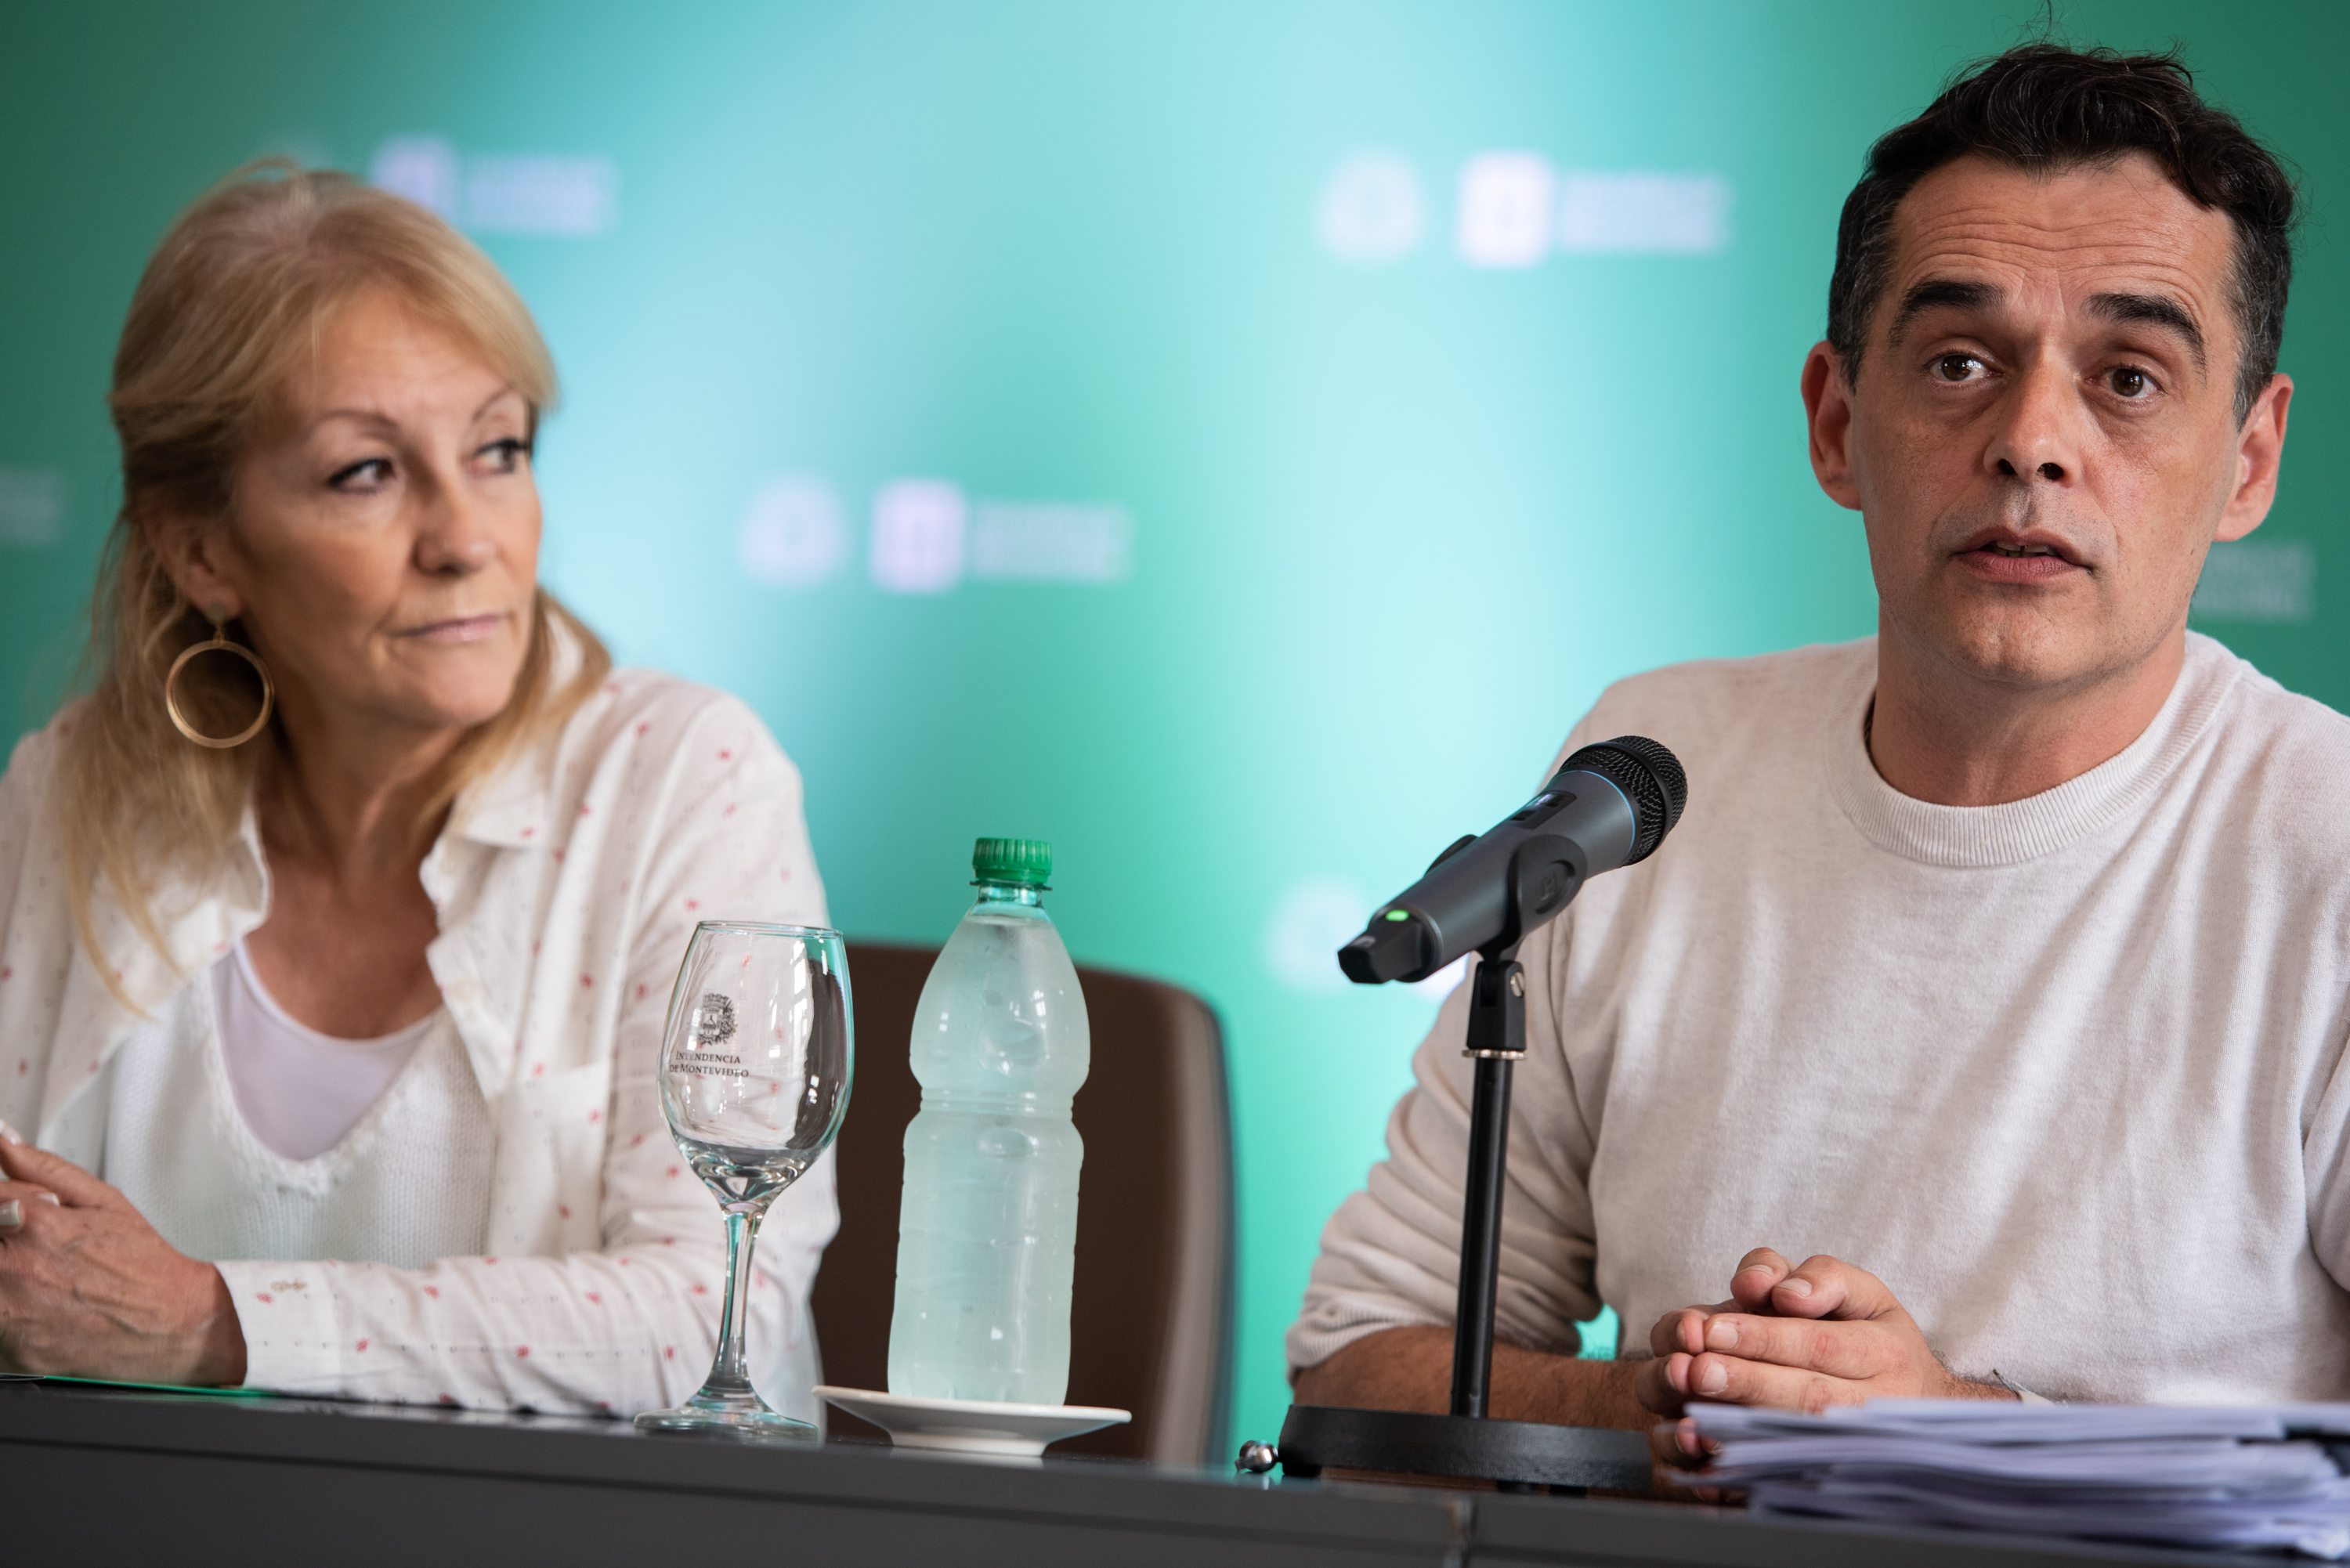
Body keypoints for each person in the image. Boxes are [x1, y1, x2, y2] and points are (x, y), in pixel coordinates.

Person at [1289, 42, 2341, 1463]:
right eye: (1960, 363)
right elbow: (1357, 1363)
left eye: (2130, 378)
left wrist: (1938, 1436)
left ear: (2251, 460)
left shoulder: (2325, 846)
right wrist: (1670, 1411)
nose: (2034, 441)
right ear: (1838, 423)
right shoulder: (1653, 780)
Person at [0, 165, 836, 1419]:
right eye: (368, 473)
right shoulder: (70, 792)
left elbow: (718, 1310)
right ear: (202, 550)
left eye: (499, 450)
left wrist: (216, 1321)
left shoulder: (689, 781)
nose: (467, 538)